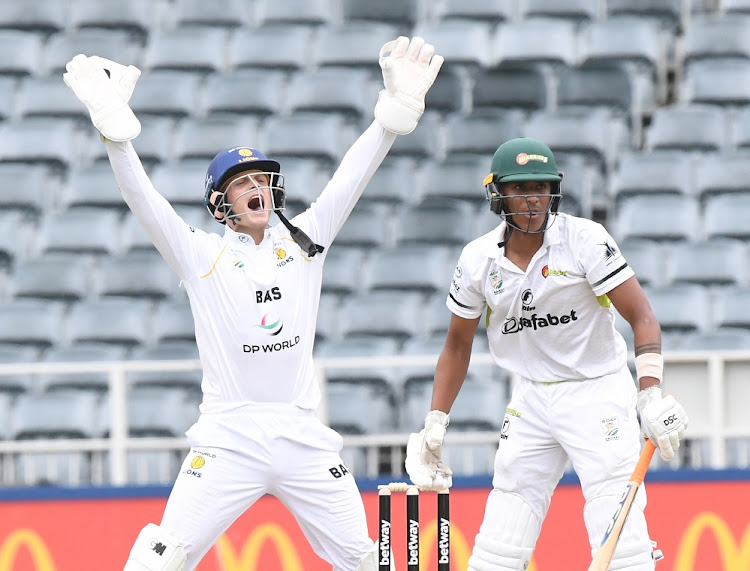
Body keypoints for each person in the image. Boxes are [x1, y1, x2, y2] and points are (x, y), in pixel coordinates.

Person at [62, 37, 443, 571]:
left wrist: (391, 118)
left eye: (263, 179)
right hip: (228, 437)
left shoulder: (308, 241)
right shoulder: (201, 254)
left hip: (302, 435)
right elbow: (144, 202)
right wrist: (115, 138)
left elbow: (350, 180)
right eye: (243, 184)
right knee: (160, 558)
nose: (257, 189)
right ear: (221, 203)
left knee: (367, 560)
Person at [405, 137, 689, 570]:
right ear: (497, 193)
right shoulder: (477, 259)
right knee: (504, 530)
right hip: (532, 397)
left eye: (540, 187)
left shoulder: (585, 240)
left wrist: (649, 393)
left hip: (597, 391)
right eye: (519, 189)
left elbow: (643, 316)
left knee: (620, 532)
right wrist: (434, 423)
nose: (532, 199)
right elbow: (456, 345)